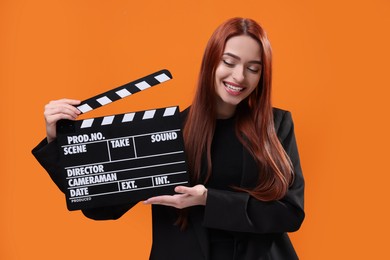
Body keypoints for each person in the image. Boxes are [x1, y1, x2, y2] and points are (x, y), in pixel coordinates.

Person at [32, 17, 305, 259]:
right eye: (229, 62)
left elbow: (290, 213)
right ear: (211, 62)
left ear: (262, 76)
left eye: (253, 68)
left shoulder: (276, 125)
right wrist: (57, 141)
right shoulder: (165, 133)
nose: (238, 76)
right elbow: (101, 209)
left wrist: (208, 199)